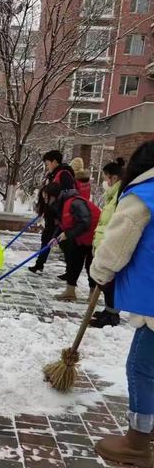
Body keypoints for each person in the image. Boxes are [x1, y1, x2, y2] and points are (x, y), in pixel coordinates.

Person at [90, 142, 154, 468]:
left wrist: (100, 271)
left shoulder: (144, 194)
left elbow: (118, 243)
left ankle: (138, 443)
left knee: (141, 368)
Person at [45, 182, 100, 301]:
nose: (45, 199)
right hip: (79, 236)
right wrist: (54, 238)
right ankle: (70, 291)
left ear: (53, 196)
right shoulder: (59, 205)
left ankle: (92, 294)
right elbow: (62, 224)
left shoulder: (75, 202)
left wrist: (67, 234)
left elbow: (85, 222)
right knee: (73, 261)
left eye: (46, 196)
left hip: (94, 236)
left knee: (90, 265)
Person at [90, 158, 125, 328]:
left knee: (109, 283)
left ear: (114, 178)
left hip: (110, 245)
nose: (104, 181)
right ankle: (108, 310)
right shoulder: (112, 196)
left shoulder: (121, 197)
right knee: (104, 282)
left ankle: (112, 315)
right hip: (103, 243)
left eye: (106, 178)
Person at [28, 150, 75, 274]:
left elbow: (68, 195)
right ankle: (39, 264)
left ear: (55, 161)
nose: (47, 166)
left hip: (58, 216)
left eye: (48, 163)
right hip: (51, 214)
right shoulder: (53, 174)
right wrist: (43, 209)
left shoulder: (64, 174)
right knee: (47, 239)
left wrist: (60, 215)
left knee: (63, 244)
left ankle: (70, 272)